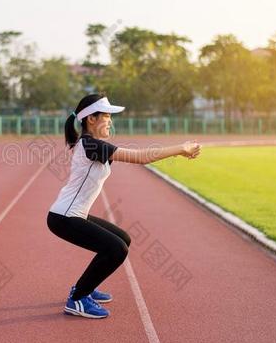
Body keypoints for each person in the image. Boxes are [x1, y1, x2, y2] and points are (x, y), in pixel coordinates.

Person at [47, 93, 201, 319]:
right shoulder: (90, 144)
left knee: (122, 239)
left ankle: (84, 288)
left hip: (72, 214)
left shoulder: (93, 145)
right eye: (107, 116)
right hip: (64, 217)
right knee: (116, 249)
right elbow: (141, 157)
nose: (110, 121)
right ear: (91, 119)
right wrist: (180, 148)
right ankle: (78, 298)